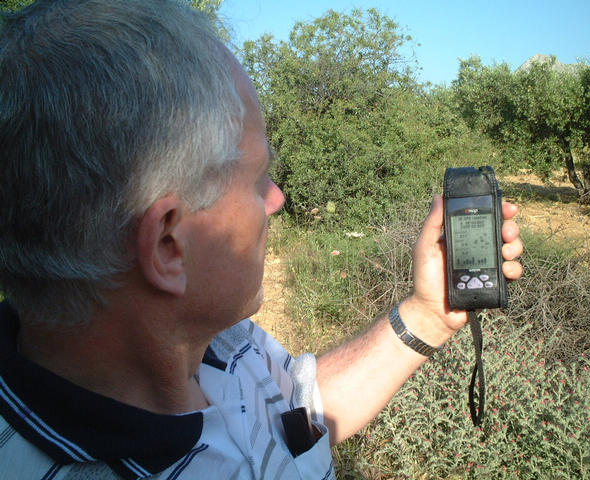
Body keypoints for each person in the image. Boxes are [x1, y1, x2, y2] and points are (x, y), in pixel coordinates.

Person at [0, 0, 523, 478]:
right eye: (257, 181)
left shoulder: (220, 339)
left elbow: (298, 412)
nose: (276, 199)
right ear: (167, 245)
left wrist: (429, 314)